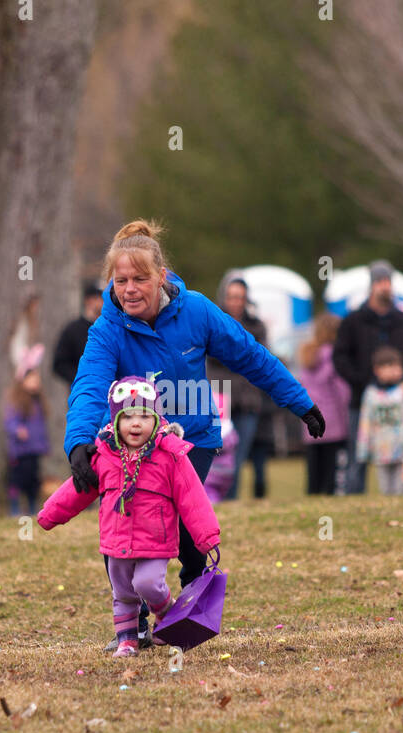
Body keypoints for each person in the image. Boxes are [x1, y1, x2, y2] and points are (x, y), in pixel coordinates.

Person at [64, 219, 323, 651]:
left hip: (191, 440)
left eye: (140, 279)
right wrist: (80, 443)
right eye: (121, 280)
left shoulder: (196, 310)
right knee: (128, 528)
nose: (129, 289)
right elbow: (89, 384)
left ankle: (190, 610)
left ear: (161, 277)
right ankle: (135, 626)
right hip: (130, 446)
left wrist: (301, 402)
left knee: (185, 528)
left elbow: (250, 356)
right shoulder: (107, 328)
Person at [38, 377, 220, 657]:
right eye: (129, 416)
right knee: (123, 592)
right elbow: (77, 490)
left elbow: (192, 497)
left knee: (147, 583)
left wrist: (206, 535)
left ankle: (165, 612)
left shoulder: (170, 455)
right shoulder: (103, 454)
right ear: (116, 419)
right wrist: (49, 514)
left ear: (157, 419)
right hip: (116, 541)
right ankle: (127, 639)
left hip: (155, 541)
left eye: (145, 416)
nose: (136, 423)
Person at [333, 260, 403, 494]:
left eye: (388, 282)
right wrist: (360, 381)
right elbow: (340, 357)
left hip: (400, 401)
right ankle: (355, 498)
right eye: (381, 282)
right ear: (372, 286)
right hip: (363, 399)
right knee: (358, 453)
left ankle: (401, 495)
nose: (386, 287)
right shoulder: (354, 321)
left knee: (402, 452)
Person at [206, 275, 272, 500]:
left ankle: (231, 501)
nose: (236, 302)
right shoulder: (212, 322)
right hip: (219, 401)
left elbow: (260, 361)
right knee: (217, 456)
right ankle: (213, 499)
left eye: (240, 298)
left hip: (247, 401)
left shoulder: (256, 326)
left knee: (238, 457)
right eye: (232, 297)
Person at [355, 346, 403, 496]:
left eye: (396, 367)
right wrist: (363, 448)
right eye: (388, 367)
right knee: (385, 488)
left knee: (402, 487)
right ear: (377, 370)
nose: (393, 371)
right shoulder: (371, 394)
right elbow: (366, 422)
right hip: (381, 449)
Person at [297, 313, 351, 495]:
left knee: (313, 467)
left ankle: (313, 495)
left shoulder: (308, 357)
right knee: (330, 468)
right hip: (332, 419)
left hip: (310, 417)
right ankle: (328, 495)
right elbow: (342, 390)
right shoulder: (333, 356)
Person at [6, 347, 49, 516]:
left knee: (33, 481)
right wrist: (18, 430)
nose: (35, 382)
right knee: (17, 480)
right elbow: (10, 421)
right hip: (20, 450)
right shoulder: (17, 401)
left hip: (34, 448)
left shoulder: (38, 401)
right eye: (31, 379)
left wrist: (43, 444)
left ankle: (32, 507)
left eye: (36, 379)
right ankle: (15, 508)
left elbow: (40, 425)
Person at [52, 283, 105, 386]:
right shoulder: (73, 329)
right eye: (99, 298)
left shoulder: (109, 328)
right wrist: (80, 378)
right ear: (88, 301)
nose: (103, 303)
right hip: (82, 392)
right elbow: (59, 364)